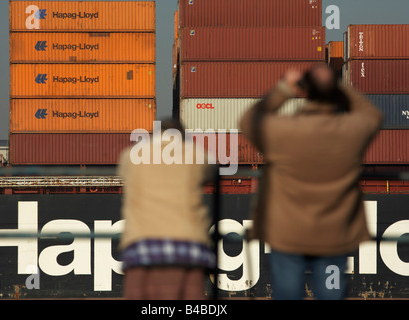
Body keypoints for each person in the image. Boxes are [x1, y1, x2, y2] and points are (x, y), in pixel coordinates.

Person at [240, 63, 383, 300]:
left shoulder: (282, 130)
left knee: (287, 296)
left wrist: (284, 88)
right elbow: (373, 114)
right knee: (331, 295)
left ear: (303, 91)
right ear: (335, 91)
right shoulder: (352, 130)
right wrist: (335, 85)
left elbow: (249, 120)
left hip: (287, 235)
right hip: (334, 236)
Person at [117, 119, 216, 300]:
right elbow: (211, 171)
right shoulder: (196, 154)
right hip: (188, 244)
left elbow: (123, 173)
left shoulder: (131, 154)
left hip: (141, 244)